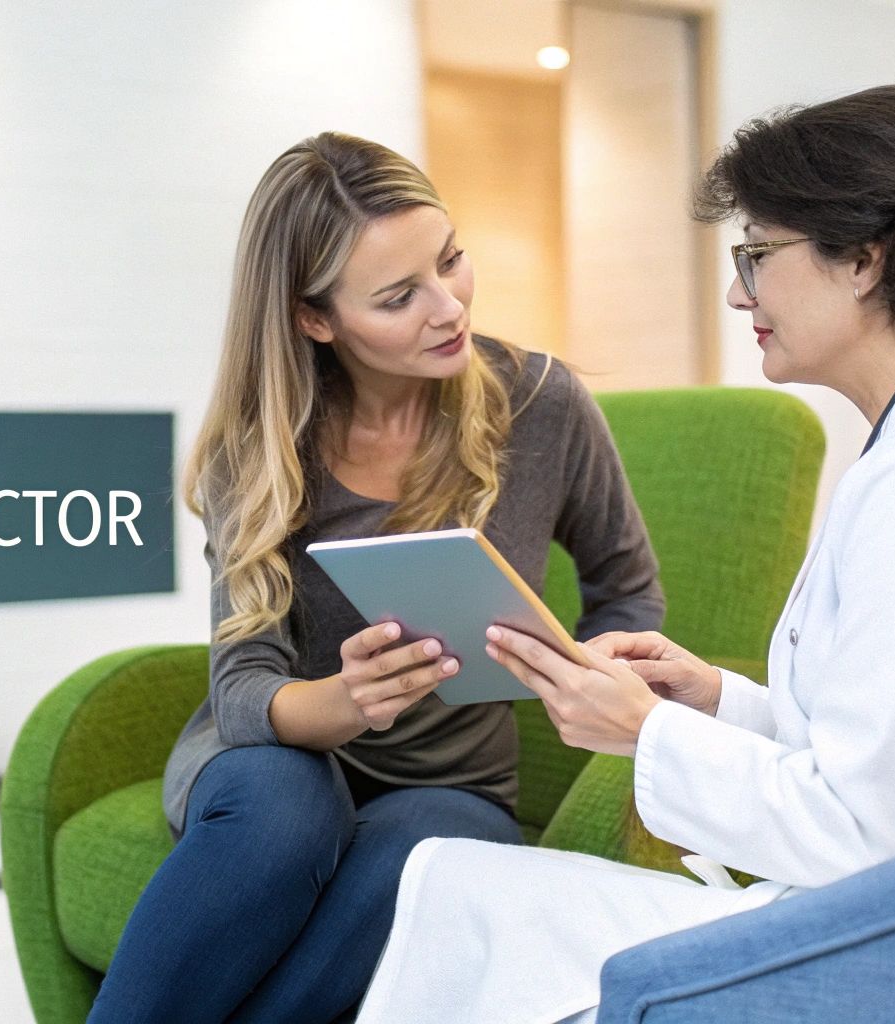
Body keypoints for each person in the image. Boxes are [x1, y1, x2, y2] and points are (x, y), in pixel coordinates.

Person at [355, 84, 895, 1024]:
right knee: (458, 889)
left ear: (866, 261)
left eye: (758, 255)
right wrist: (712, 700)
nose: (738, 291)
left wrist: (642, 729)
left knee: (466, 902)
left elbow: (867, 826)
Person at [85, 132, 665, 1024]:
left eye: (452, 261)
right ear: (316, 319)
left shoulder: (541, 402)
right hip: (274, 758)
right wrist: (349, 700)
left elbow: (627, 590)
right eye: (399, 297)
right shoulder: (265, 447)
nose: (449, 308)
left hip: (455, 783)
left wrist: (578, 671)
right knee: (289, 808)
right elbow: (242, 689)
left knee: (431, 844)